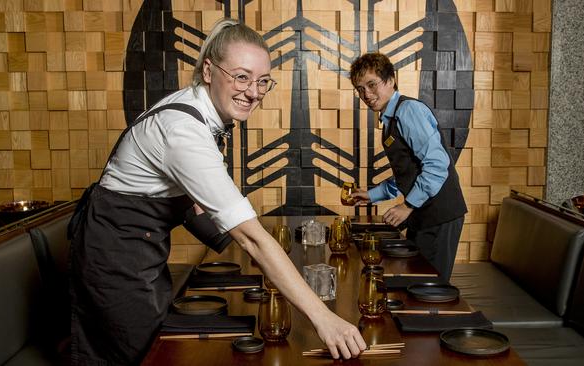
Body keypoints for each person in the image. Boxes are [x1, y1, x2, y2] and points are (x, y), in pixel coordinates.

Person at [68, 19, 366, 365]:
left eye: (262, 81)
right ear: (208, 70)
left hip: (137, 250)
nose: (253, 92)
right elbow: (251, 238)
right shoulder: (184, 131)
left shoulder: (197, 111)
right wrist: (324, 319)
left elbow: (192, 201)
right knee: (140, 356)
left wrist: (236, 252)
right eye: (241, 77)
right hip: (113, 259)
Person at [349, 52, 467, 281]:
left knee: (429, 286)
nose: (366, 94)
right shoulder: (390, 117)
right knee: (414, 279)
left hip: (439, 214)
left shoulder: (408, 111)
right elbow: (409, 171)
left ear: (391, 80)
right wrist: (373, 194)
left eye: (372, 85)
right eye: (360, 89)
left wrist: (407, 205)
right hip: (422, 212)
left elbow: (436, 164)